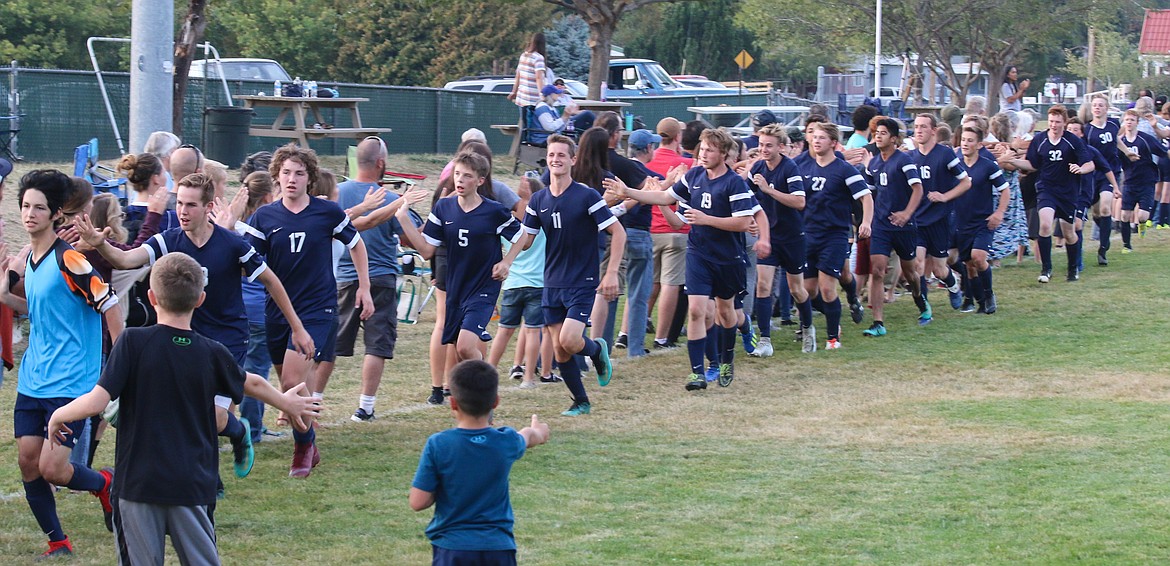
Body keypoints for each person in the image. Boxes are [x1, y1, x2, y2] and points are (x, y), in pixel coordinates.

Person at [46, 252, 323, 566]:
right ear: (200, 299)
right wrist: (286, 401)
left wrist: (59, 414)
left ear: (151, 297)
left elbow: (97, 402)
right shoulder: (212, 352)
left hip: (139, 485)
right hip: (192, 485)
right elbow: (253, 383)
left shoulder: (132, 343)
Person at [0, 169, 123, 559]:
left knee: (54, 469)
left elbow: (109, 304)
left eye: (39, 208)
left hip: (72, 383)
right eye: (25, 206)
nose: (30, 214)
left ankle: (105, 483)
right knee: (28, 462)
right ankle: (58, 542)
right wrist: (8, 284)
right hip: (33, 379)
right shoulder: (33, 260)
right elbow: (32, 309)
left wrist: (122, 364)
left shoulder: (70, 258)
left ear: (56, 214)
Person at [247, 143, 374, 477]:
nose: (291, 179)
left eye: (299, 173)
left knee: (291, 380)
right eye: (286, 172)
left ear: (309, 178)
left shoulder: (327, 212)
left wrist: (364, 287)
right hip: (276, 312)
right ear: (276, 176)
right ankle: (309, 439)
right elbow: (248, 264)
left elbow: (356, 244)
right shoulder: (264, 217)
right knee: (292, 387)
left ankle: (303, 447)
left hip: (318, 309)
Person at [607, 128, 763, 389]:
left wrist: (706, 219)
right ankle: (697, 373)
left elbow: (744, 222)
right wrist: (629, 192)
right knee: (696, 310)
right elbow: (665, 197)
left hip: (728, 257)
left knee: (726, 313)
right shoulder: (694, 176)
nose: (703, 154)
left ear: (723, 154)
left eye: (710, 150)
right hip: (698, 253)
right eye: (701, 149)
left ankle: (726, 360)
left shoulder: (734, 183)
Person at [514, 134, 624, 416]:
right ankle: (581, 401)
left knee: (570, 340)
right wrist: (504, 259)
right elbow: (526, 238)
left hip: (582, 281)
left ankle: (597, 351)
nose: (555, 160)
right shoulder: (538, 200)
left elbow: (618, 232)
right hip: (551, 282)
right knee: (561, 352)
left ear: (573, 160)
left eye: (561, 155)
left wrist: (611, 273)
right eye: (551, 155)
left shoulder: (587, 196)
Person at [409, 359, 549, 565]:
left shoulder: (439, 444)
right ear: (495, 402)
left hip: (452, 548)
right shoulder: (505, 441)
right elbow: (527, 436)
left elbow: (418, 502)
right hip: (498, 547)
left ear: (453, 402)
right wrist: (539, 431)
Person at [313, 136, 410, 423]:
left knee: (330, 345)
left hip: (341, 278)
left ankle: (314, 400)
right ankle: (365, 407)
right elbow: (406, 236)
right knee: (376, 343)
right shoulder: (390, 198)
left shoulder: (336, 193)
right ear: (381, 163)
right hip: (380, 277)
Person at [397, 151, 522, 363]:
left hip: (483, 287)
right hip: (456, 288)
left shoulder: (493, 211)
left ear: (480, 181)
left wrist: (506, 261)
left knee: (465, 346)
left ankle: (485, 377)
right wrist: (403, 218)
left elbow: (522, 236)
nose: (460, 180)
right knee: (459, 350)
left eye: (467, 176)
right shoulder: (444, 208)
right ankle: (478, 384)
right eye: (457, 174)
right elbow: (427, 251)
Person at [798, 122, 873, 349]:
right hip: (808, 234)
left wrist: (866, 222)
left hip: (834, 235)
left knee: (828, 286)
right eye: (814, 137)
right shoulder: (805, 168)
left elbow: (866, 197)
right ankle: (837, 314)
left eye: (822, 137)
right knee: (809, 291)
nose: (816, 140)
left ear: (833, 143)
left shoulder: (843, 170)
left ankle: (832, 338)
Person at [744, 123, 814, 355]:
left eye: (769, 146)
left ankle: (808, 327)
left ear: (781, 147)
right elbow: (747, 199)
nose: (763, 149)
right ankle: (765, 340)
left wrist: (769, 190)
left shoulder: (790, 168)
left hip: (792, 236)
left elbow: (799, 202)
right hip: (768, 236)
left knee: (797, 289)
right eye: (761, 145)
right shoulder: (757, 168)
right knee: (763, 286)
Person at [1007, 104, 1095, 283]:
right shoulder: (1040, 140)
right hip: (1046, 189)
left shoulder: (1072, 141)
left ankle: (1073, 268)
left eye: (1058, 122)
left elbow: (1090, 164)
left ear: (1064, 122)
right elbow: (1032, 165)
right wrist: (1013, 162)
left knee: (1068, 232)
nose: (1054, 125)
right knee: (1045, 225)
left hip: (1068, 192)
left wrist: (1080, 169)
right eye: (1051, 121)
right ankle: (1046, 269)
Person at [860, 118, 929, 336]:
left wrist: (906, 214)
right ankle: (878, 323)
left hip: (904, 226)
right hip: (881, 225)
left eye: (882, 133)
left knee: (910, 273)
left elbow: (918, 189)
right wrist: (866, 221)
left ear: (894, 138)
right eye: (876, 133)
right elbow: (869, 195)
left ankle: (920, 299)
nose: (878, 136)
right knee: (877, 270)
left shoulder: (904, 161)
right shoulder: (873, 164)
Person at [910, 113, 971, 312]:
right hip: (917, 220)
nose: (919, 130)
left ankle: (953, 286)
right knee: (918, 265)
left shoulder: (945, 154)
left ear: (934, 131)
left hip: (940, 219)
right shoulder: (910, 157)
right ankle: (925, 309)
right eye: (916, 127)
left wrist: (945, 197)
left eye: (923, 127)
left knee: (939, 269)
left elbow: (966, 182)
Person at [646, 118, 695, 348]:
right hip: (677, 229)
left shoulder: (648, 159)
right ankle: (662, 337)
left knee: (650, 282)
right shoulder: (686, 163)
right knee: (670, 285)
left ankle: (635, 326)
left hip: (650, 230)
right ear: (678, 138)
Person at [955, 125, 1011, 313]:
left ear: (979, 145)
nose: (965, 144)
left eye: (970, 140)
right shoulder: (955, 164)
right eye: (963, 140)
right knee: (969, 266)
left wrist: (999, 213)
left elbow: (1005, 190)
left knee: (978, 258)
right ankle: (977, 301)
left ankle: (989, 295)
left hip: (983, 222)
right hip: (961, 222)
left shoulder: (987, 165)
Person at [1116, 108, 1168, 253]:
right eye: (1127, 120)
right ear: (1124, 123)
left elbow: (1163, 152)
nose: (1129, 123)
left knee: (1142, 216)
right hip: (1129, 182)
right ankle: (1126, 245)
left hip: (1147, 181)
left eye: (1132, 120)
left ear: (1137, 123)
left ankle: (1142, 224)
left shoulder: (1145, 139)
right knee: (1125, 215)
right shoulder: (1121, 142)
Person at [507, 32, 546, 109]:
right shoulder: (538, 58)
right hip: (534, 100)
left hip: (522, 98)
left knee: (523, 120)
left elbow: (518, 75)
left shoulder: (523, 56)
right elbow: (538, 78)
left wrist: (514, 92)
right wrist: (542, 95)